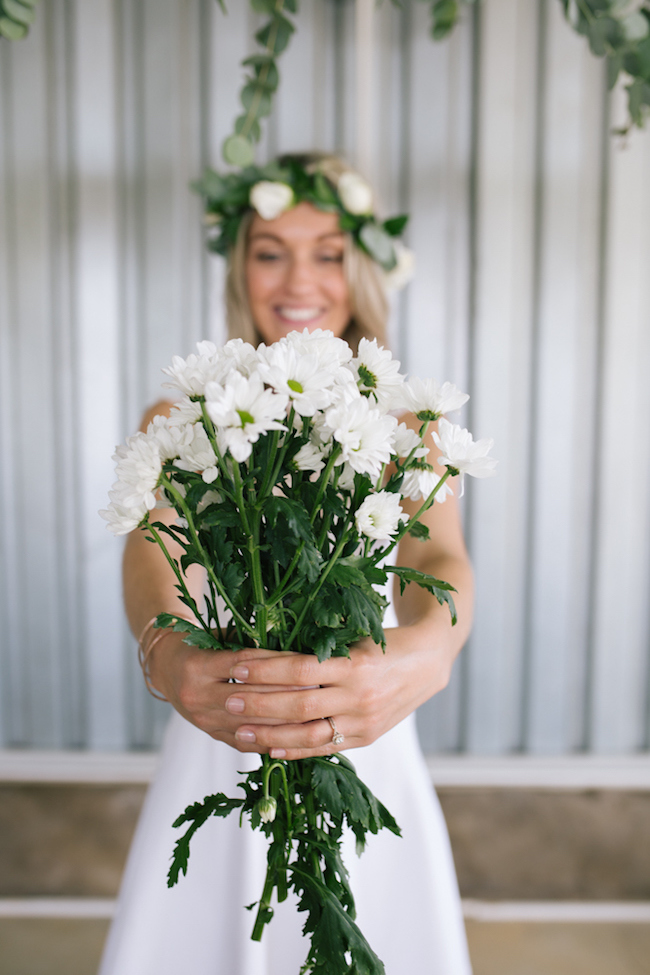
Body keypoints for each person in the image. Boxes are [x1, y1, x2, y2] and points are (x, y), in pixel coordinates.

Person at [99, 153, 474, 975]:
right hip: (223, 726)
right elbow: (149, 543)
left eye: (329, 251)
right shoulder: (185, 411)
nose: (298, 278)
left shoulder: (406, 417)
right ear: (240, 266)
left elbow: (440, 555)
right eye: (270, 250)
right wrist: (167, 653)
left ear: (363, 267)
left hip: (366, 728)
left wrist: (429, 652)